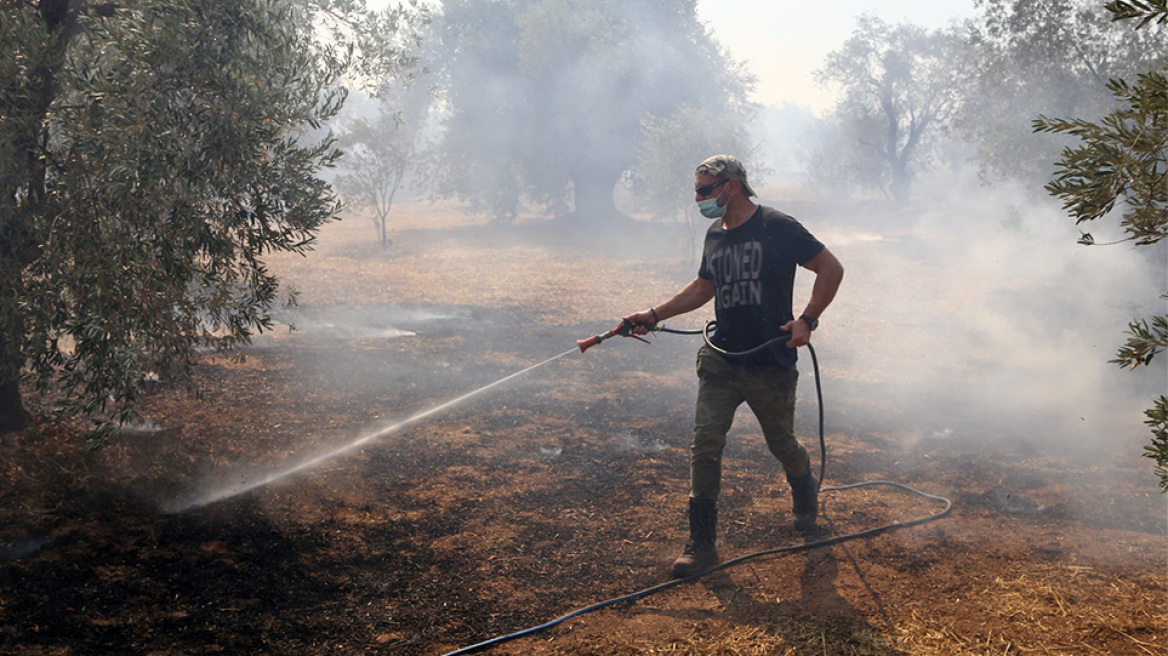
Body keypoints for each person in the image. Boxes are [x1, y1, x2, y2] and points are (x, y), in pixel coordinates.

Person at [623, 155, 844, 579]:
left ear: (732, 186)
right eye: (696, 191)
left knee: (781, 444)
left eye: (705, 190)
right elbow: (703, 287)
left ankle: (804, 489)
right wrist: (653, 314)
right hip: (721, 358)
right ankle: (701, 544)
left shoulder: (777, 226)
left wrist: (807, 320)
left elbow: (830, 268)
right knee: (705, 444)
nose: (699, 199)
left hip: (769, 361)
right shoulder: (714, 233)